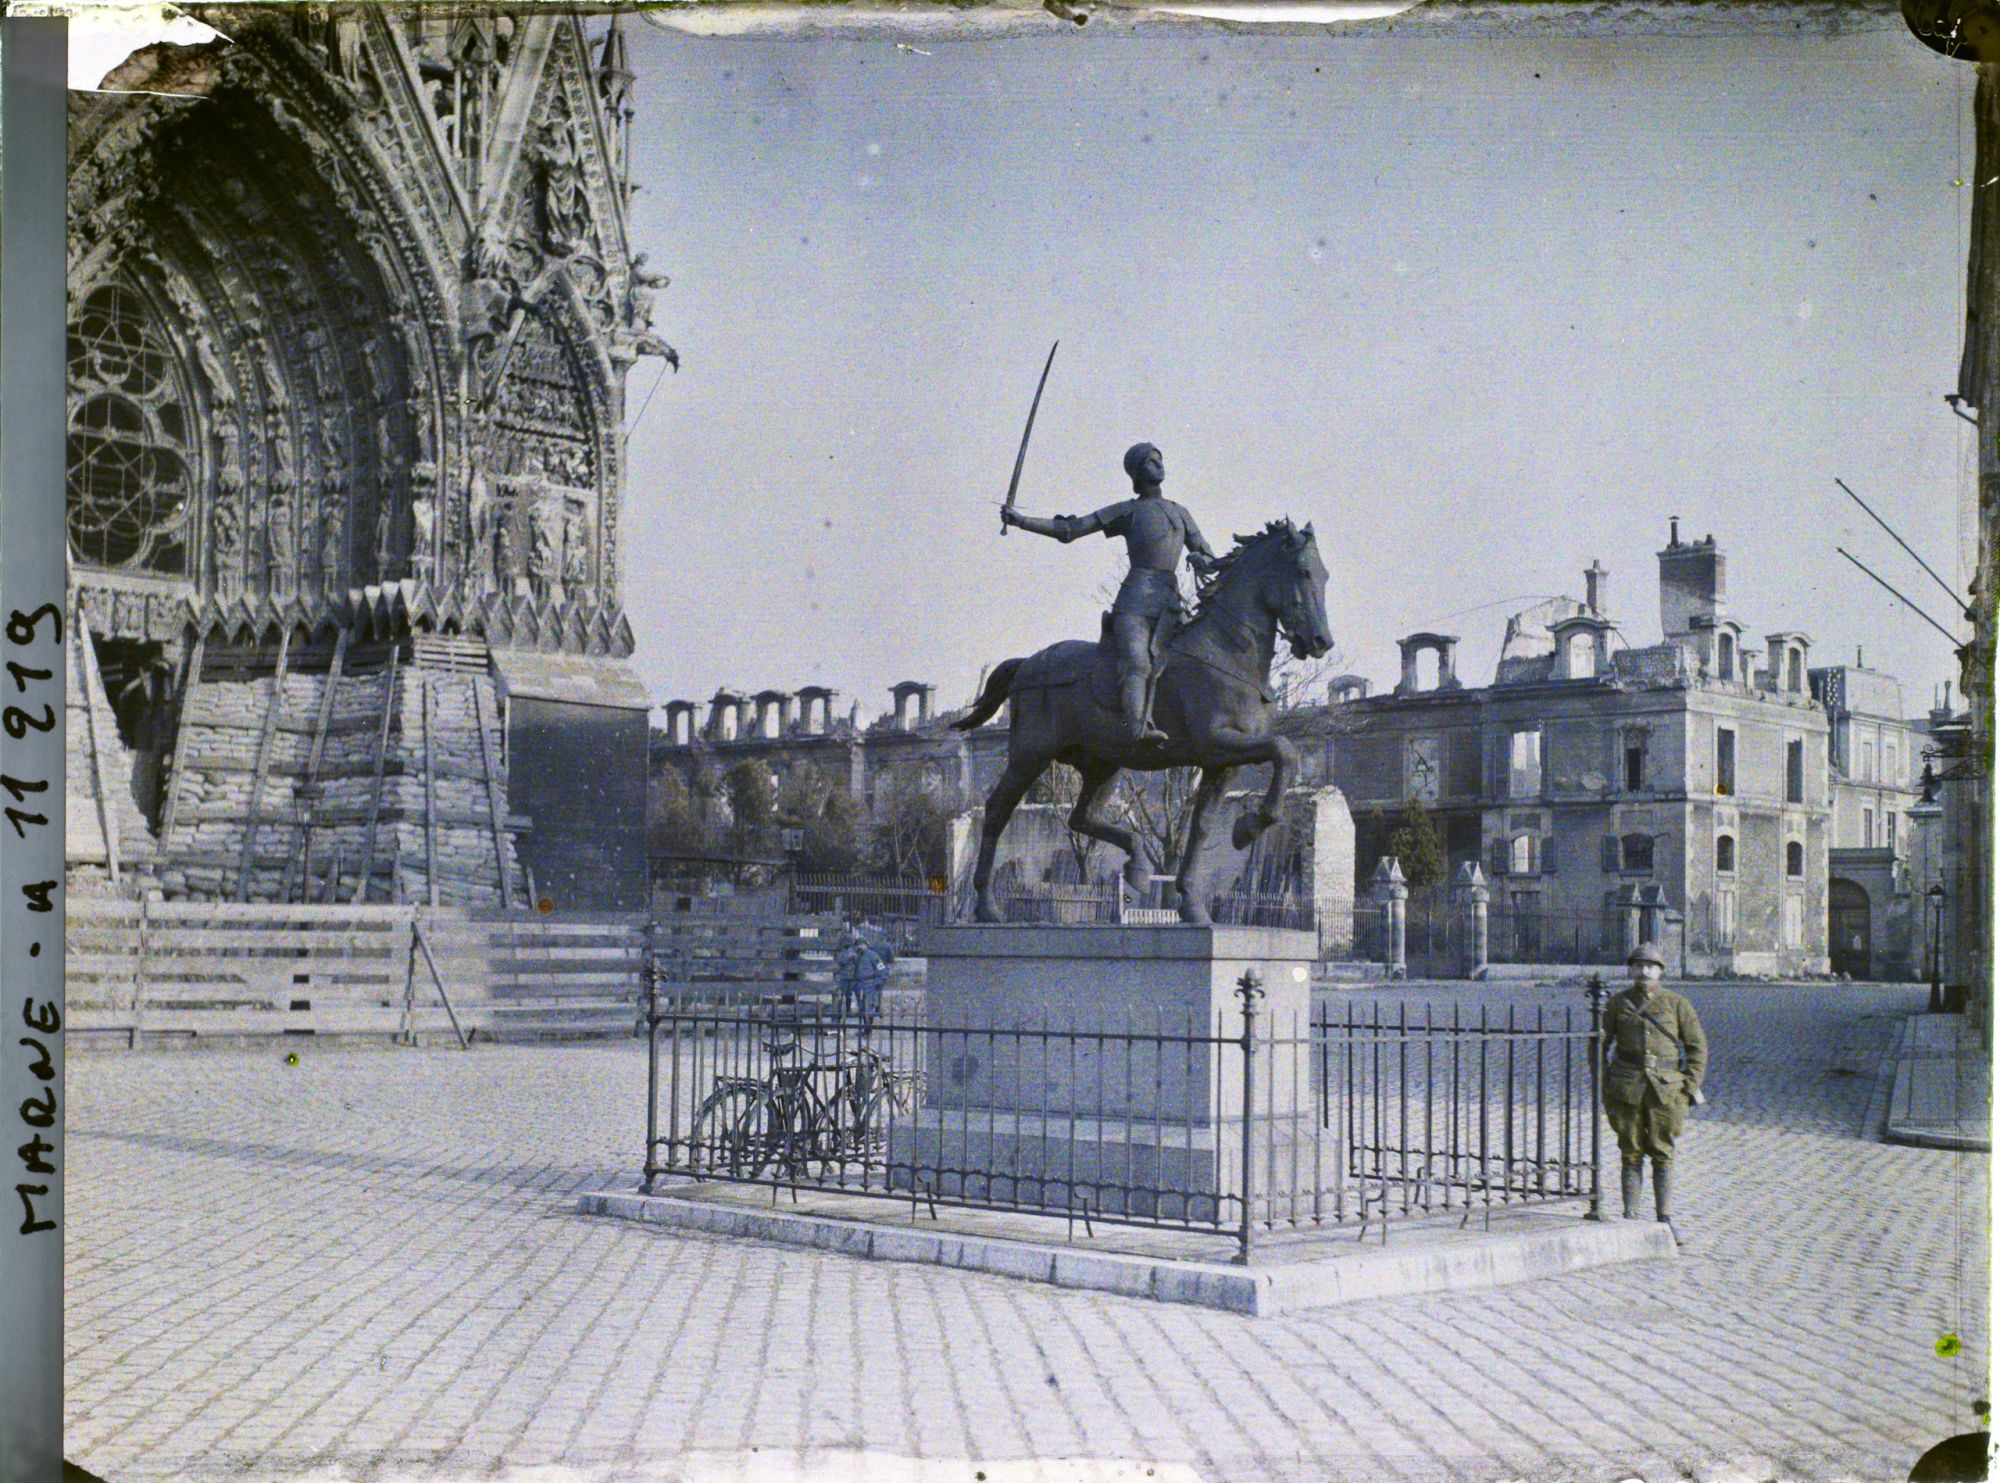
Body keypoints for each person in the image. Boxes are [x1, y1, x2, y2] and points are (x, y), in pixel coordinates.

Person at [1001, 442, 1217, 744]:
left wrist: (1200, 560)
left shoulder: (1181, 513)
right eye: (1150, 462)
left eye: (1160, 459)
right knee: (1138, 662)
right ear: (1136, 473)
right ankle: (1137, 729)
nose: (1159, 465)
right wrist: (1022, 521)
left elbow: (1208, 557)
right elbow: (1071, 530)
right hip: (1135, 605)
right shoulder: (1127, 511)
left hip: (1171, 604)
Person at [1601, 942, 1708, 1242]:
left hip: (1667, 1092)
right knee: (1630, 1152)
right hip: (1627, 1088)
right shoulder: (1617, 1004)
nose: (1644, 971)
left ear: (1660, 971)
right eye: (1638, 965)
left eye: (1650, 966)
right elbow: (1599, 1045)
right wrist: (1606, 1084)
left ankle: (1664, 1219)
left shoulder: (1677, 1004)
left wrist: (1688, 1087)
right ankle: (1630, 1217)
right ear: (1631, 970)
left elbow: (1697, 1048)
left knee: (1663, 1153)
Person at [834, 913, 894, 1032]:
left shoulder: (872, 955)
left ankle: (868, 1029)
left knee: (868, 1007)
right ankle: (863, 1028)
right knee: (862, 1007)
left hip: (870, 983)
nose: (860, 946)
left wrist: (879, 981)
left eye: (862, 944)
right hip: (860, 983)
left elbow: (882, 969)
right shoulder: (857, 956)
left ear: (867, 945)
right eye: (858, 945)